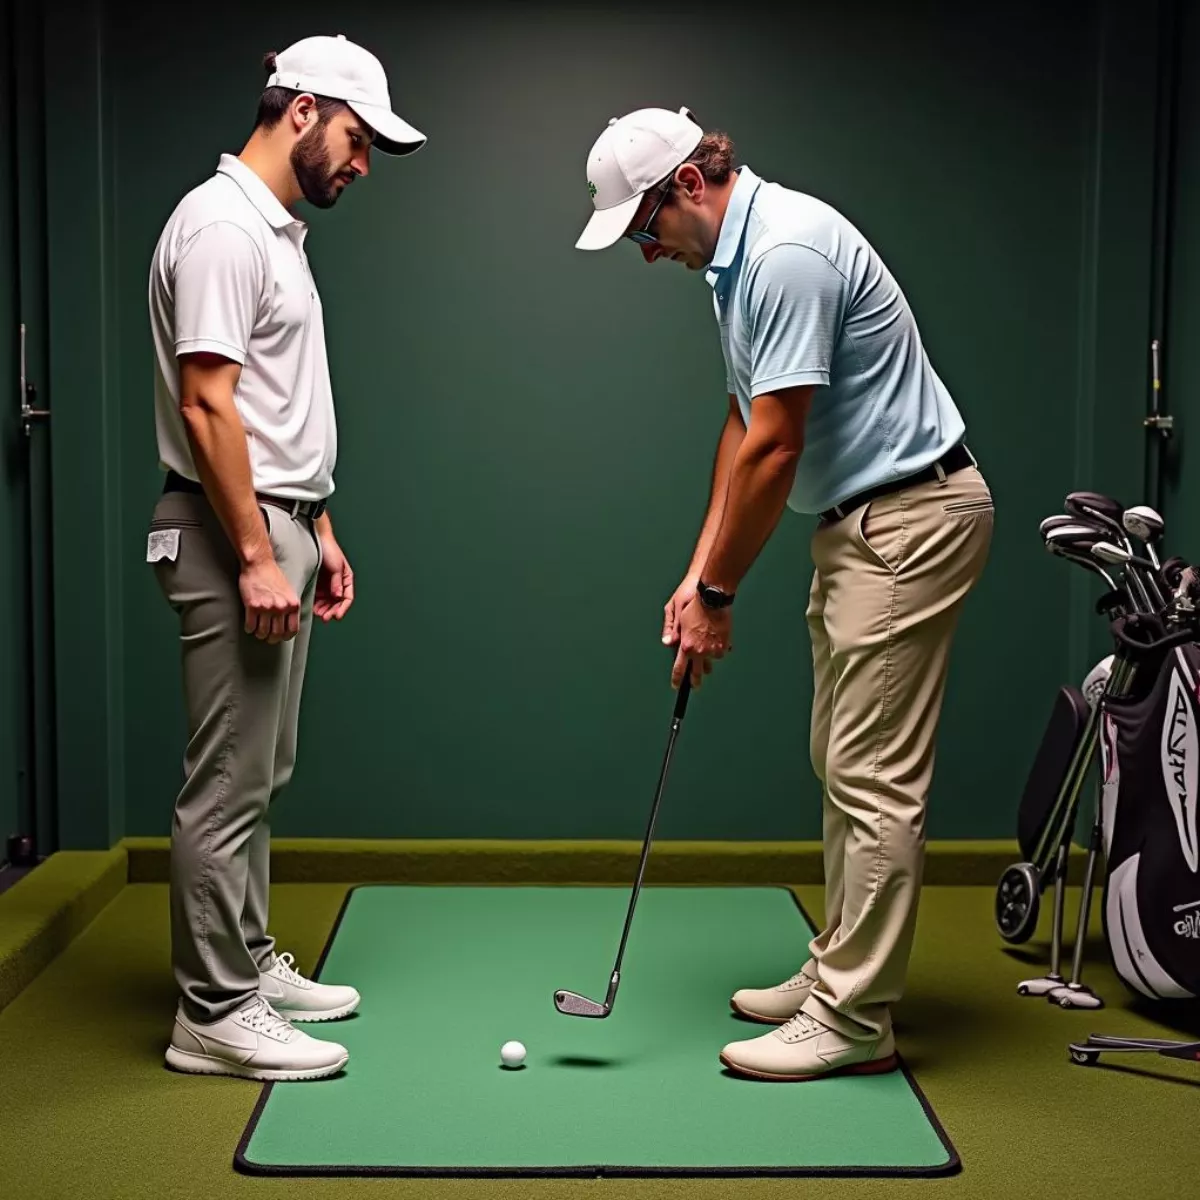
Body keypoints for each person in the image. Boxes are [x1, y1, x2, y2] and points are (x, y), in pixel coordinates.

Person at [575, 108, 993, 1082]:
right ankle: (838, 970)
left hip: (909, 517)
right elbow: (740, 425)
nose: (646, 255)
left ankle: (853, 1017)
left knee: (873, 775)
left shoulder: (787, 253)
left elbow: (779, 445)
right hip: (861, 524)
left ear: (686, 185)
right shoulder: (737, 265)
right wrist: (696, 571)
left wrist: (721, 591)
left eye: (643, 229)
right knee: (841, 757)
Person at [145, 33, 425, 1082]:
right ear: (301, 110)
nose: (360, 164)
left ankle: (249, 963)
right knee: (225, 781)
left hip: (279, 524)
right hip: (233, 539)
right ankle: (212, 1012)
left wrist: (321, 526)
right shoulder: (221, 226)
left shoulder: (273, 231)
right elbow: (207, 400)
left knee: (263, 770)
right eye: (357, 139)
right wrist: (262, 552)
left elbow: (268, 405)